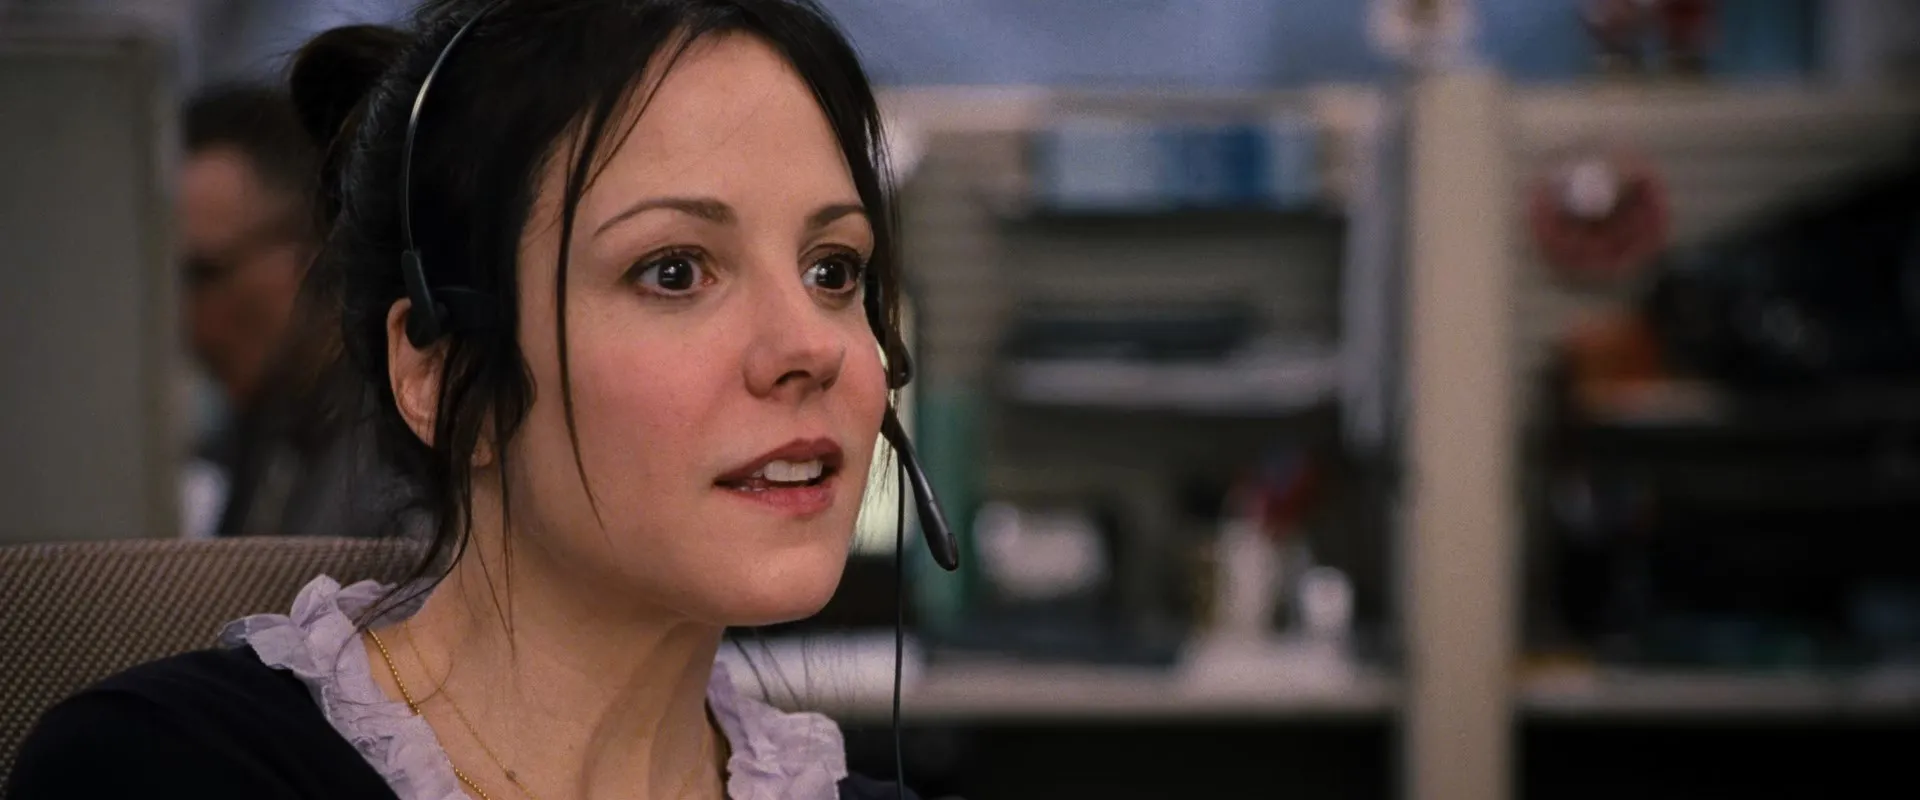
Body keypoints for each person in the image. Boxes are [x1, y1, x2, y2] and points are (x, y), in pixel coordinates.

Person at [7, 1, 926, 798]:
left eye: (833, 270)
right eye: (675, 270)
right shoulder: (164, 771)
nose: (811, 346)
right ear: (443, 376)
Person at [178, 82, 402, 540]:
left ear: (316, 245)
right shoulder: (261, 432)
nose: (182, 314)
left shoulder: (401, 464)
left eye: (203, 274)